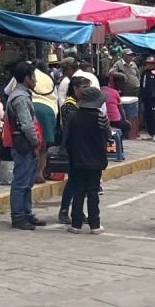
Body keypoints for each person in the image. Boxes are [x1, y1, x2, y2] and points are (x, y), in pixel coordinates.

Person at [2, 61, 44, 231]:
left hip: (25, 144)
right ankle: (19, 216)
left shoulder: (21, 95)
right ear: (26, 78)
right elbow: (27, 124)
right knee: (21, 182)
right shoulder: (20, 98)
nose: (35, 80)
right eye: (33, 77)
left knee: (27, 182)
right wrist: (35, 143)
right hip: (23, 144)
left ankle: (26, 213)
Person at [63, 84, 110, 233]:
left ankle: (76, 224)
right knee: (93, 192)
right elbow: (108, 135)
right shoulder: (101, 116)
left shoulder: (73, 116)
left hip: (77, 160)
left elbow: (67, 137)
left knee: (78, 191)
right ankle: (95, 224)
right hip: (96, 160)